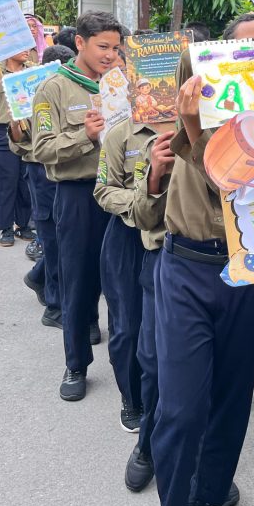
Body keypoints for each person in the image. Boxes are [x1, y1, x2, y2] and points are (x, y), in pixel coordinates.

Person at [152, 12, 254, 506]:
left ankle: (212, 492)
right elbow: (218, 170)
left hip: (247, 271)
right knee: (181, 409)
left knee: (232, 400)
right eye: (248, 49)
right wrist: (192, 119)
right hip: (187, 266)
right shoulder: (201, 102)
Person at [33, 13, 123, 402]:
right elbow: (42, 149)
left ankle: (128, 373)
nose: (110, 55)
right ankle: (76, 364)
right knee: (77, 283)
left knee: (122, 286)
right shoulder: (53, 88)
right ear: (81, 43)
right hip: (78, 195)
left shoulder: (122, 84)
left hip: (121, 194)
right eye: (103, 46)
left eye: (116, 48)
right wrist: (84, 135)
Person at [94, 117, 160, 433]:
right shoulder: (120, 135)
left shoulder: (194, 125)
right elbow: (103, 190)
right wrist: (144, 200)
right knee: (128, 325)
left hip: (175, 237)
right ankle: (132, 399)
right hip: (129, 236)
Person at [125, 127, 175, 493]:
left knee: (218, 369)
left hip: (227, 262)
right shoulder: (153, 138)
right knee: (156, 364)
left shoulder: (243, 127)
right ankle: (147, 445)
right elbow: (143, 216)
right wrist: (155, 175)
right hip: (166, 257)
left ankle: (210, 460)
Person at [16, 44, 77, 329]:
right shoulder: (37, 93)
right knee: (52, 236)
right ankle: (55, 306)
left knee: (67, 238)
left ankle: (39, 276)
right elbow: (22, 143)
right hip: (42, 170)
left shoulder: (76, 92)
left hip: (68, 169)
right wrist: (16, 123)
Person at [0, 50, 35, 246]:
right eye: (21, 47)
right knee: (4, 185)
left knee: (25, 184)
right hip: (1, 133)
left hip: (29, 134)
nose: (26, 50)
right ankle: (6, 228)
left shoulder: (32, 71)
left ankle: (23, 225)